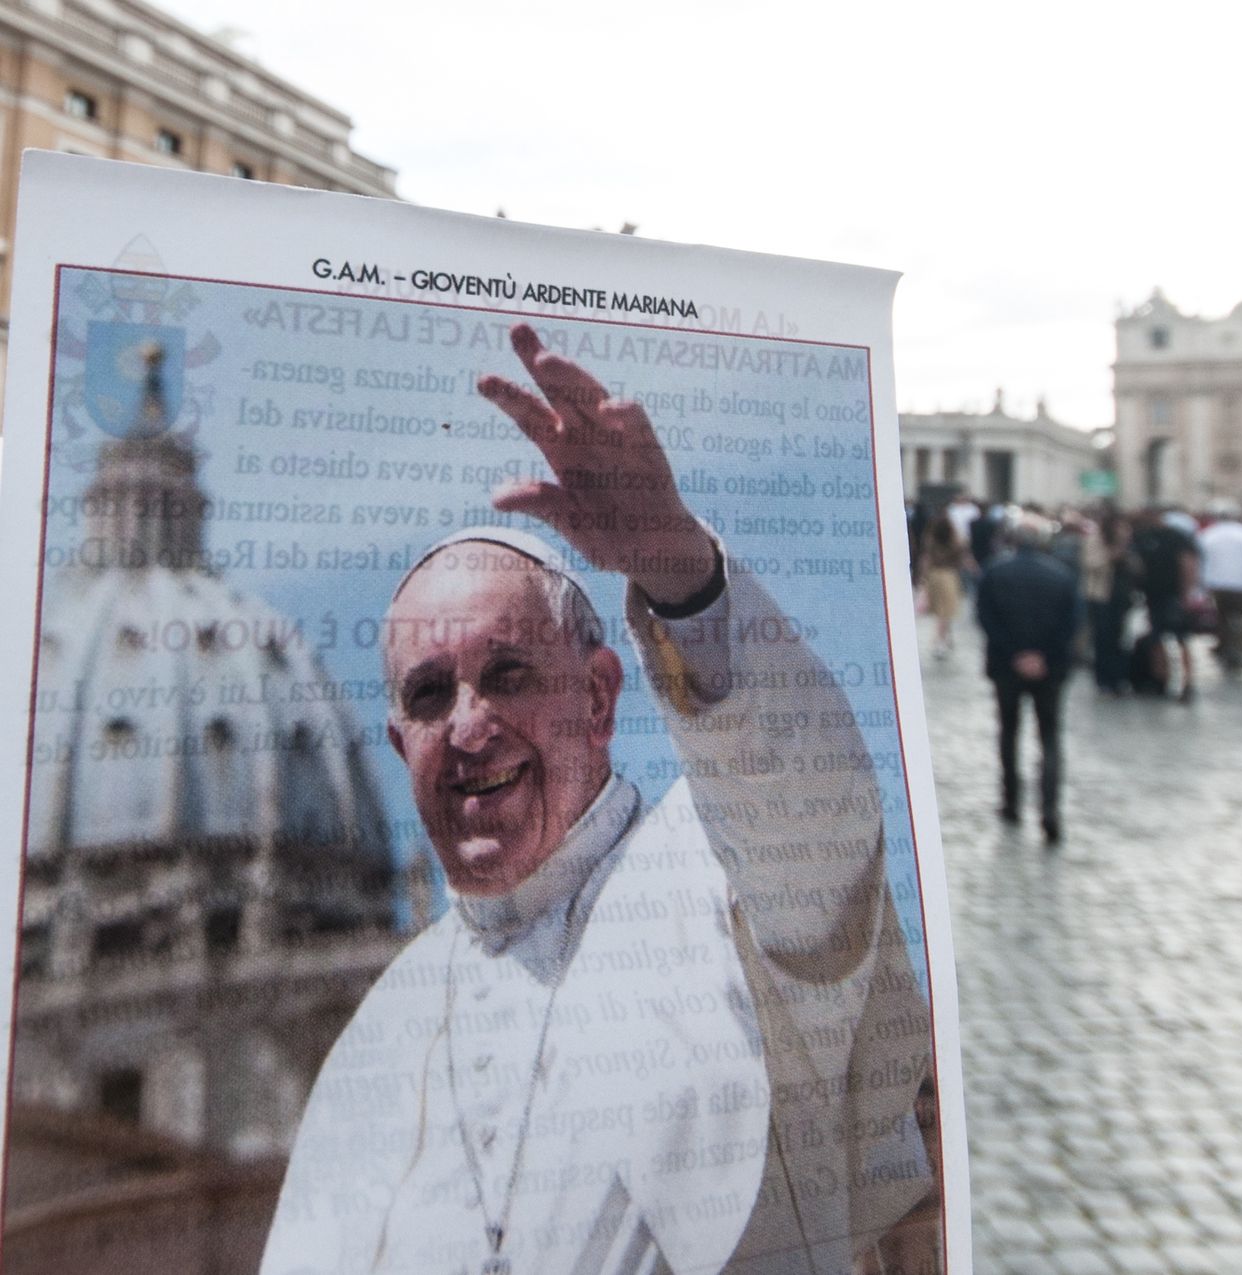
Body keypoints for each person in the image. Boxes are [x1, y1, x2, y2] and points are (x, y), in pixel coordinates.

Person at [261, 325, 936, 1275]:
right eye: (428, 696)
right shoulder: (381, 1028)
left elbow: (809, 806)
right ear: (397, 744)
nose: (468, 728)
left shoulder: (717, 883)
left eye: (508, 674)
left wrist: (678, 569)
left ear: (601, 694)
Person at [976, 516, 1080, 844]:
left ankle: (1011, 802)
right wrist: (1042, 656)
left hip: (1008, 665)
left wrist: (1017, 654)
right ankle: (1050, 809)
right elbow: (1072, 624)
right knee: (1049, 737)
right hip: (1049, 668)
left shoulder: (995, 571)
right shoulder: (1062, 576)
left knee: (1009, 732)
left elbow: (985, 618)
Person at [1131, 510, 1201, 702]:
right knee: (1160, 640)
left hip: (1171, 595)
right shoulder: (1146, 537)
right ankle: (1163, 678)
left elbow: (1187, 563)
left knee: (1179, 640)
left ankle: (1184, 682)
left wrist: (1187, 592)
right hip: (1157, 595)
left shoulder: (1173, 537)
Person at [1197, 509, 1242, 673]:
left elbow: (1199, 555)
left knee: (1222, 618)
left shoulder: (1210, 534)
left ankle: (1226, 646)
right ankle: (1239, 649)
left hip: (1217, 584)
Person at [1082, 511, 1135, 696]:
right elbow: (1090, 563)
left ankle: (1119, 678)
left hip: (1120, 595)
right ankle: (1103, 678)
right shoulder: (1095, 539)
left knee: (1119, 637)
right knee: (1102, 637)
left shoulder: (1126, 541)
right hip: (1100, 595)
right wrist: (1111, 556)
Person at [919, 513, 971, 659]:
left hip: (934, 575)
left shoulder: (930, 541)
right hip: (949, 576)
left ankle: (944, 638)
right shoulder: (956, 542)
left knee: (941, 612)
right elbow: (963, 558)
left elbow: (926, 560)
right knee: (946, 611)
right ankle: (939, 640)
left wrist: (923, 580)